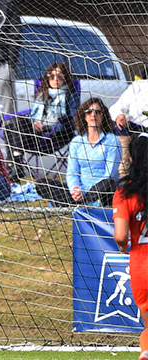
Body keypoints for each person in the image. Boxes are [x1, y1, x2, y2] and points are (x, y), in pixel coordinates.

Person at [36, 98, 121, 207]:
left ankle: (79, 203)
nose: (93, 115)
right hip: (80, 191)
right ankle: (80, 203)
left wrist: (88, 193)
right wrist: (75, 190)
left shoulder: (112, 140)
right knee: (41, 184)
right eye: (89, 112)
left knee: (109, 182)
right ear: (84, 117)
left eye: (98, 112)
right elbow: (72, 173)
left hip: (102, 190)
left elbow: (110, 174)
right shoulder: (76, 142)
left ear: (103, 116)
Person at [4, 62, 80, 181]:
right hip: (35, 137)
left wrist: (45, 127)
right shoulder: (42, 95)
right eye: (52, 76)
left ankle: (13, 165)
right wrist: (34, 123)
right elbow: (34, 115)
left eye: (60, 77)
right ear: (47, 78)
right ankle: (15, 163)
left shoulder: (71, 96)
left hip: (56, 136)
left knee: (17, 124)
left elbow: (72, 120)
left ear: (66, 78)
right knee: (11, 125)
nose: (55, 80)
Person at [112, 133, 148, 360]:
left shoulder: (124, 193)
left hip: (142, 266)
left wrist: (123, 245)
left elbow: (120, 235)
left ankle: (146, 350)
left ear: (132, 159)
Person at [108, 78, 148, 178]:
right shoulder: (139, 86)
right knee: (120, 128)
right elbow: (115, 108)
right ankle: (124, 177)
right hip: (133, 129)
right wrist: (119, 115)